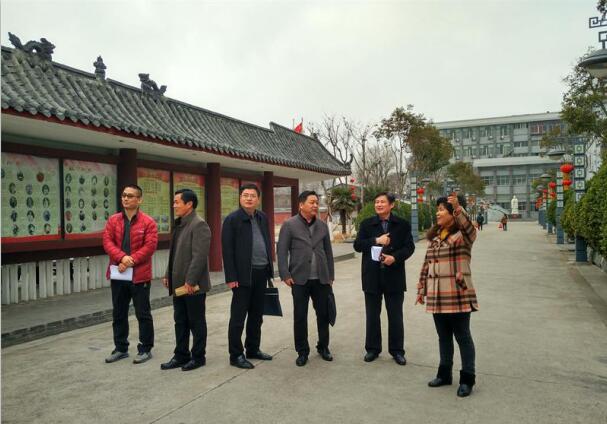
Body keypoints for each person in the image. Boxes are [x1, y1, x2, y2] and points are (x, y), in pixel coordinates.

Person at [416, 194, 479, 397]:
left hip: (457, 293)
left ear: (453, 213)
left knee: (463, 336)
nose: (438, 213)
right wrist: (421, 290)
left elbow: (469, 229)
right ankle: (444, 374)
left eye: (442, 209)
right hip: (437, 295)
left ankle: (467, 379)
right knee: (443, 337)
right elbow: (426, 265)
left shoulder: (463, 235)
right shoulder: (435, 237)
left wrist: (459, 208)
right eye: (437, 209)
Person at [353, 192, 415, 366]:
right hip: (372, 276)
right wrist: (376, 240)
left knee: (395, 316)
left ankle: (397, 351)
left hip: (394, 276)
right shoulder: (366, 224)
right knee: (372, 315)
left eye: (382, 202)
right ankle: (372, 349)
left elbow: (409, 247)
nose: (379, 205)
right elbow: (357, 245)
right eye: (376, 202)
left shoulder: (402, 224)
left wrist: (394, 258)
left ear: (391, 205)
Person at [277, 190, 335, 367]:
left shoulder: (322, 225)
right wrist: (285, 274)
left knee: (323, 314)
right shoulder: (289, 225)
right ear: (301, 205)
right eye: (312, 202)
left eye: (317, 202)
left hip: (321, 279)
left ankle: (323, 346)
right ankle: (302, 351)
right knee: (300, 316)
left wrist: (330, 275)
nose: (315, 205)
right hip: (299, 279)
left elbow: (328, 252)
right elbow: (281, 252)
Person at [102, 184, 158, 364]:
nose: (125, 198)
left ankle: (145, 348)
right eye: (124, 195)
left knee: (143, 313)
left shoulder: (148, 222)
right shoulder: (113, 220)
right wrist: (122, 258)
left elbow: (150, 247)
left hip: (139, 275)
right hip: (119, 274)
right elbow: (107, 242)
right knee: (119, 313)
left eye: (130, 196)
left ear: (139, 200)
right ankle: (120, 348)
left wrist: (130, 260)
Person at [222, 184, 274, 369]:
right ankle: (236, 355)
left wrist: (270, 269)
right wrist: (231, 277)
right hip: (243, 275)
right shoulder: (232, 220)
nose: (249, 198)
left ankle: (253, 348)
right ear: (240, 198)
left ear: (258, 199)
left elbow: (267, 241)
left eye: (252, 195)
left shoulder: (262, 217)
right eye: (245, 195)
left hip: (261, 272)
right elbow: (227, 250)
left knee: (257, 315)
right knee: (238, 317)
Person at [161, 189, 212, 372]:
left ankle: (198, 357)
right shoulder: (179, 224)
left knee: (196, 322)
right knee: (180, 321)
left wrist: (190, 281)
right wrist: (167, 274)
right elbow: (174, 253)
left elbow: (199, 257)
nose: (174, 205)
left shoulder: (199, 225)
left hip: (193, 286)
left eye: (177, 202)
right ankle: (181, 355)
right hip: (178, 283)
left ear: (189, 204)